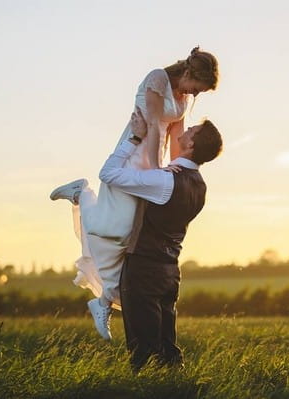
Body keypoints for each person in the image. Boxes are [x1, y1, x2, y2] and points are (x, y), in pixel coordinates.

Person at [49, 47, 218, 339]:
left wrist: (175, 167)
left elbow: (175, 137)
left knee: (130, 236)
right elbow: (153, 125)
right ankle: (83, 194)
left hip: (157, 158)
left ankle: (103, 300)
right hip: (136, 147)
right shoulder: (157, 79)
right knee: (115, 228)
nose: (195, 94)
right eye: (196, 87)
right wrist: (156, 170)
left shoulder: (183, 97)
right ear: (190, 73)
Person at [103, 109, 223, 372]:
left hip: (144, 268)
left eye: (191, 131)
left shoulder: (164, 180)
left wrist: (134, 138)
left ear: (191, 144)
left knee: (142, 349)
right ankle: (176, 387)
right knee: (167, 346)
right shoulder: (199, 185)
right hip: (170, 272)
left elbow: (108, 174)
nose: (186, 130)